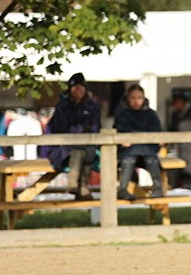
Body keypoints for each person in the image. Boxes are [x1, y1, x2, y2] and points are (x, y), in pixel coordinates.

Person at [43, 72, 101, 201]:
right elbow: (61, 128)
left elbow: (95, 127)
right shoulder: (62, 107)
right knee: (78, 151)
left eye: (81, 87)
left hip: (88, 145)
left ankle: (80, 185)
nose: (78, 90)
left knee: (89, 151)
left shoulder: (92, 106)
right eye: (75, 87)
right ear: (70, 89)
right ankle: (75, 184)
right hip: (63, 147)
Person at [113, 84, 163, 200]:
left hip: (147, 150)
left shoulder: (151, 114)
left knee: (151, 158)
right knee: (129, 157)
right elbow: (120, 130)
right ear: (128, 98)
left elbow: (157, 132)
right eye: (133, 98)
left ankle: (158, 187)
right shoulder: (121, 113)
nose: (136, 101)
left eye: (139, 98)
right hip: (128, 151)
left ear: (143, 98)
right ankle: (123, 189)